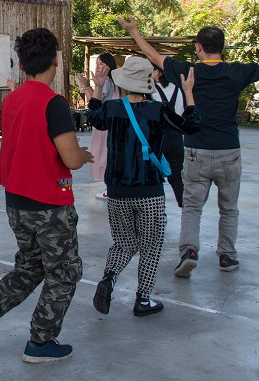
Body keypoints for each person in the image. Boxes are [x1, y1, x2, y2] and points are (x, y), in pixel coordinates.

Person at [118, 15, 259, 277]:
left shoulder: (188, 71)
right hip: (229, 150)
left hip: (197, 149)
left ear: (198, 46)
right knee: (229, 208)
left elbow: (153, 55)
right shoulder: (237, 72)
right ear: (223, 46)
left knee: (192, 206)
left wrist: (134, 30)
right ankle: (227, 257)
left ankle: (189, 252)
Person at [0, 28, 93, 363]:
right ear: (55, 60)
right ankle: (40, 341)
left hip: (17, 202)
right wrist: (83, 155)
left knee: (31, 266)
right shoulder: (54, 104)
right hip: (49, 203)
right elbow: (70, 158)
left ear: (20, 64)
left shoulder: (13, 100)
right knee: (64, 272)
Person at [79, 56, 200, 317]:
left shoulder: (112, 108)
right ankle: (143, 299)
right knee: (151, 245)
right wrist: (189, 94)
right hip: (149, 191)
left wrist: (98, 87)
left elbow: (95, 117)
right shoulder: (157, 110)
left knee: (123, 243)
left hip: (117, 190)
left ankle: (109, 278)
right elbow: (191, 126)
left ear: (123, 84)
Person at [151, 63, 186, 208]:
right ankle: (184, 204)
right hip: (177, 138)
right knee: (176, 176)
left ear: (157, 72)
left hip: (158, 137)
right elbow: (184, 111)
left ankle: (158, 209)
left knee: (155, 176)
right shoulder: (180, 90)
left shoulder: (152, 91)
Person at [87, 52, 118, 200]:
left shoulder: (105, 81)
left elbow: (95, 101)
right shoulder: (114, 80)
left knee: (103, 155)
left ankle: (109, 188)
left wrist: (87, 88)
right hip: (111, 122)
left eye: (100, 63)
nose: (97, 66)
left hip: (104, 124)